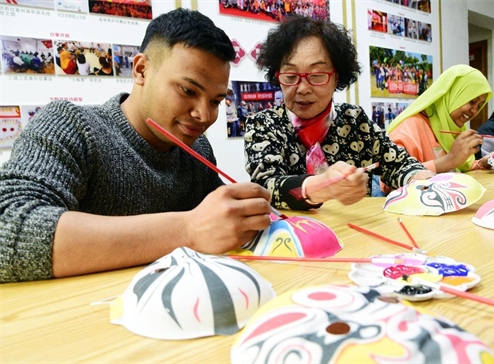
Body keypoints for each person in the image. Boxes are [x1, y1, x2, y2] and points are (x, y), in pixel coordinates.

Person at [0, 8, 272, 283]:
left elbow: (215, 226)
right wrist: (189, 229)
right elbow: (8, 227)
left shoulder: (197, 149)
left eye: (215, 101)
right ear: (141, 70)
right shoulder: (70, 124)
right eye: (188, 91)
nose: (204, 115)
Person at [244, 15, 432, 211]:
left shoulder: (354, 121)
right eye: (290, 76)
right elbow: (266, 188)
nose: (302, 88)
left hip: (357, 231)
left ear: (337, 78)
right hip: (294, 237)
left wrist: (417, 177)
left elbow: (399, 163)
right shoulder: (263, 125)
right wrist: (323, 186)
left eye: (317, 76)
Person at [385, 64, 494, 177]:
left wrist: (483, 162)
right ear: (452, 95)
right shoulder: (409, 129)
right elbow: (390, 177)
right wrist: (450, 160)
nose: (474, 111)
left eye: (479, 106)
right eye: (472, 101)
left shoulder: (455, 128)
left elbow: (462, 167)